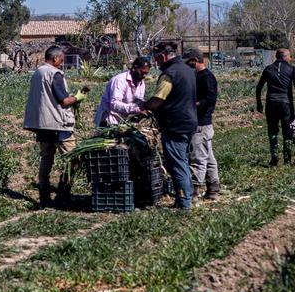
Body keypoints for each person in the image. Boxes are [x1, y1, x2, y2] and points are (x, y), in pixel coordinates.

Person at [24, 45, 86, 208]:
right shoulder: (54, 73)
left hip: (42, 124)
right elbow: (64, 101)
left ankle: (44, 197)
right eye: (61, 60)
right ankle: (63, 193)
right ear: (55, 58)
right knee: (75, 159)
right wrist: (78, 97)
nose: (62, 63)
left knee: (46, 160)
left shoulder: (38, 72)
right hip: (58, 124)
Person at [140, 42, 197, 210]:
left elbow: (158, 100)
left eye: (157, 59)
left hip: (175, 125)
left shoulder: (169, 74)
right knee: (183, 161)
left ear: (163, 56)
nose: (155, 63)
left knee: (177, 164)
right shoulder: (187, 70)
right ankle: (187, 197)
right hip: (189, 122)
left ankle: (184, 203)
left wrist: (145, 106)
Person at [255, 47, 295, 166]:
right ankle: (287, 159)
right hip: (285, 104)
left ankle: (274, 157)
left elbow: (259, 87)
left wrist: (259, 103)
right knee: (287, 131)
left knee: (273, 130)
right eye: (290, 56)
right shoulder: (291, 69)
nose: (291, 58)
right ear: (285, 57)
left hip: (271, 104)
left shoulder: (268, 69)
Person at [184, 48, 220, 200]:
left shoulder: (206, 77)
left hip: (201, 124)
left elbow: (210, 99)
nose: (187, 64)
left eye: (189, 61)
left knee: (197, 158)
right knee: (209, 158)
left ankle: (194, 192)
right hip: (205, 125)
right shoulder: (199, 76)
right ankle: (213, 189)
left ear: (196, 61)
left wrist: (194, 104)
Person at [92, 57, 151, 127]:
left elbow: (138, 101)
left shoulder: (141, 83)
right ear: (134, 68)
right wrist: (136, 109)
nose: (144, 76)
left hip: (123, 120)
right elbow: (114, 104)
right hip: (109, 119)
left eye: (146, 73)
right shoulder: (120, 80)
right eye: (142, 72)